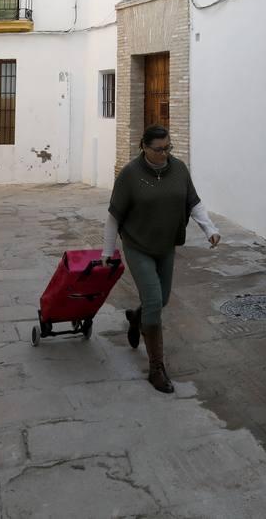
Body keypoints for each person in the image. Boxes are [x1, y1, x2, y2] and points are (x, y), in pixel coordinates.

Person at [103, 125, 221, 393]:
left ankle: (136, 318)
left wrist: (210, 229)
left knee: (162, 299)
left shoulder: (178, 169)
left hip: (166, 245)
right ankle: (156, 367)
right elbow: (114, 216)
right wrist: (106, 253)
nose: (165, 153)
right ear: (144, 147)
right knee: (154, 300)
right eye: (159, 149)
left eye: (168, 148)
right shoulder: (130, 174)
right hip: (138, 245)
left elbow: (193, 202)